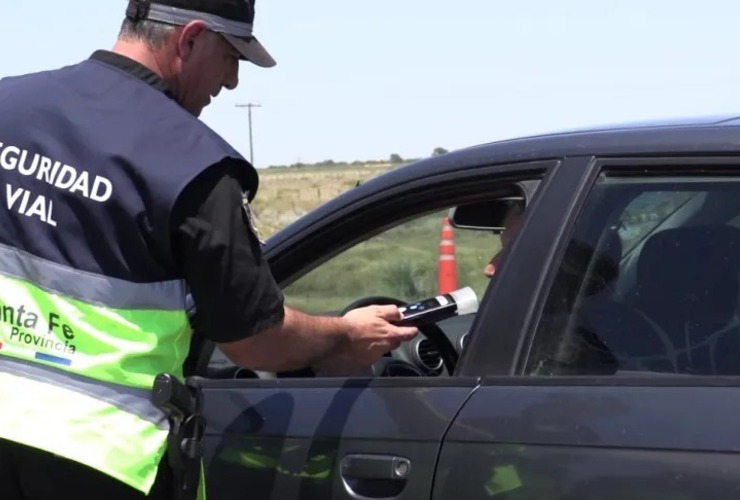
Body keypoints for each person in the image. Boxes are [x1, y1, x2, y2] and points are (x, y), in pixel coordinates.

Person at [0, 1, 418, 499]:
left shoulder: (10, 105)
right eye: (231, 56)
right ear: (191, 38)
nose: (232, 81)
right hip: (104, 461)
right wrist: (342, 335)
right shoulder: (194, 164)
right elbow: (257, 340)